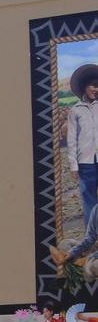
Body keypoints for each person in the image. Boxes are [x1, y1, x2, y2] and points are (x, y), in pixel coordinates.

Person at [66, 63, 98, 227]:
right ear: (85, 86)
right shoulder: (76, 110)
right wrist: (73, 165)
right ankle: (93, 236)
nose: (96, 89)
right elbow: (71, 139)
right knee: (89, 201)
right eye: (93, 85)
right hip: (86, 163)